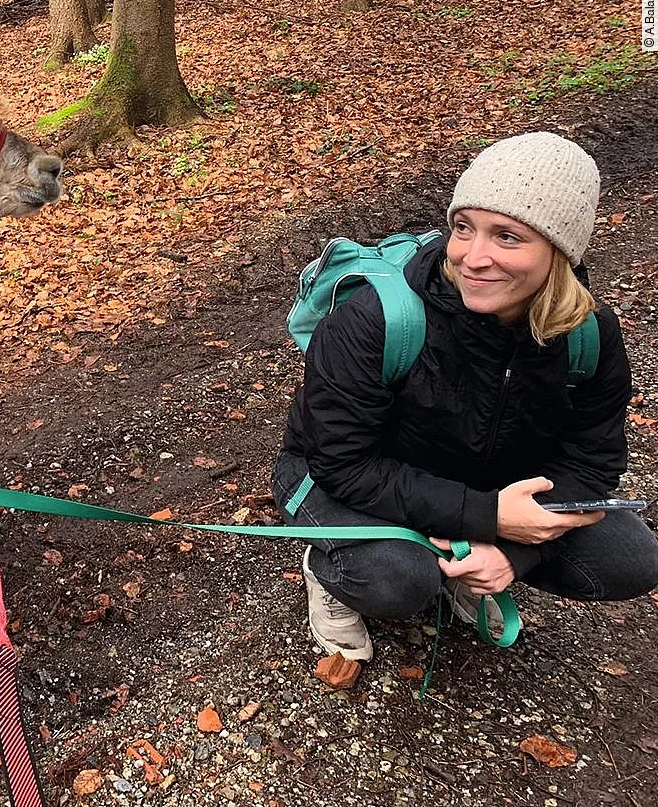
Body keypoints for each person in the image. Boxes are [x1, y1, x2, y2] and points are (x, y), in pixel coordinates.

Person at [272, 131, 658, 660]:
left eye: (508, 237)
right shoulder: (378, 319)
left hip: (483, 488)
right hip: (354, 481)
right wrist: (489, 518)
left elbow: (593, 461)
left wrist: (510, 553)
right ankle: (331, 571)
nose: (472, 257)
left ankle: (464, 567)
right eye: (463, 228)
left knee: (630, 560)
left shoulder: (588, 334)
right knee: (397, 581)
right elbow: (343, 464)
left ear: (561, 251)